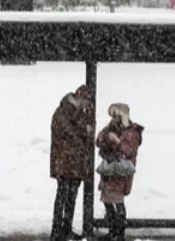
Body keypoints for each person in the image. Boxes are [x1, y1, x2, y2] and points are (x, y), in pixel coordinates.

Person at [51, 85, 96, 241]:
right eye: (85, 101)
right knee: (63, 196)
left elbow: (90, 132)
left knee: (70, 197)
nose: (86, 105)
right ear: (79, 97)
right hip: (65, 162)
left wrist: (86, 124)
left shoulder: (80, 113)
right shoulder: (63, 111)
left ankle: (65, 229)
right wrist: (84, 129)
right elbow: (70, 133)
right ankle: (57, 230)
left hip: (75, 162)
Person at [95, 103, 144, 241]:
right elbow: (99, 140)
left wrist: (116, 141)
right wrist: (105, 139)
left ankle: (119, 232)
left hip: (121, 171)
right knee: (107, 199)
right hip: (111, 169)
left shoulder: (131, 131)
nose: (113, 119)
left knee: (117, 200)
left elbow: (130, 151)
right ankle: (114, 230)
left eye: (116, 115)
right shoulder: (111, 128)